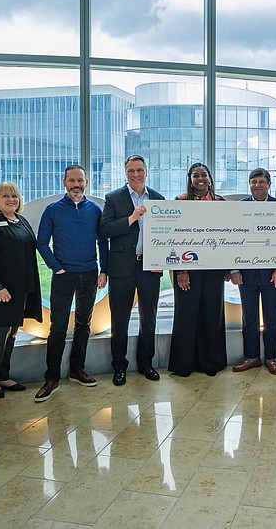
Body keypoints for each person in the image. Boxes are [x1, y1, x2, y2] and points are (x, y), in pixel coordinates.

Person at [34, 165, 108, 402]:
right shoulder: (53, 210)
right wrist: (57, 267)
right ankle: (52, 377)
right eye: (72, 180)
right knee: (57, 326)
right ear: (64, 182)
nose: (76, 184)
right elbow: (42, 242)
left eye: (80, 180)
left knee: (84, 323)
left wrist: (103, 270)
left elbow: (102, 242)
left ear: (86, 182)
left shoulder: (94, 210)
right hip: (63, 276)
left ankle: (77, 369)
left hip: (89, 273)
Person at [100, 155, 165, 386]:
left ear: (146, 171)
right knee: (120, 319)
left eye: (139, 170)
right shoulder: (113, 198)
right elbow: (105, 230)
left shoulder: (158, 198)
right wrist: (131, 218)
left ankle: (146, 363)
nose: (135, 174)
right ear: (125, 173)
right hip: (121, 268)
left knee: (149, 317)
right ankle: (119, 367)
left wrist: (161, 261)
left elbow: (165, 235)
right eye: (130, 171)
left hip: (149, 267)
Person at [0, 182, 42, 398]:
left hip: (19, 289)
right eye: (6, 195)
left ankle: (3, 376)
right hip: (0, 291)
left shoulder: (20, 220)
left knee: (12, 332)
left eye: (14, 195)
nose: (11, 199)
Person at [167, 163, 227, 376]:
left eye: (203, 175)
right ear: (190, 179)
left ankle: (210, 363)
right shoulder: (180, 202)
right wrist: (181, 271)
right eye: (195, 175)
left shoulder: (220, 202)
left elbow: (227, 237)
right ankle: (184, 365)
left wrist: (227, 267)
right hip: (187, 268)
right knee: (186, 315)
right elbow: (174, 236)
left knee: (212, 315)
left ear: (210, 178)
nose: (200, 179)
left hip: (214, 269)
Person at [230, 168, 276, 376]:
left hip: (273, 274)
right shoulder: (238, 208)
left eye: (261, 182)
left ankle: (271, 358)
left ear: (269, 184)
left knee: (272, 317)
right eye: (253, 182)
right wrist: (234, 269)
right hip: (245, 274)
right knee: (249, 318)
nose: (257, 186)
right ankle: (252, 357)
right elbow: (232, 238)